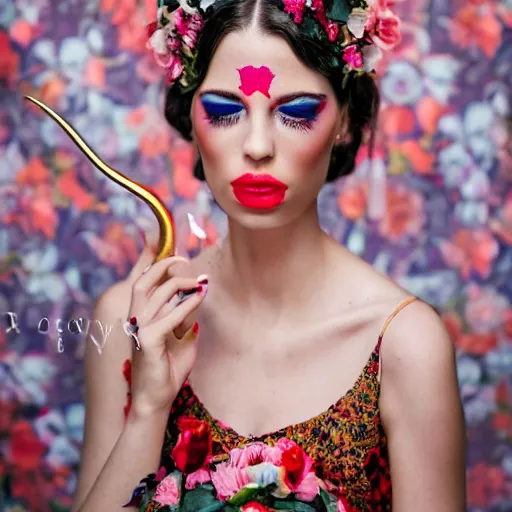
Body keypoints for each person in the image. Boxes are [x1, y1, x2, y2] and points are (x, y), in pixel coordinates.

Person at [72, 0, 466, 510]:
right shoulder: (131, 322)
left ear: (345, 119)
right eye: (224, 110)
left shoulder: (405, 345)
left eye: (297, 113)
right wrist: (148, 407)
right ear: (192, 118)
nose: (257, 145)